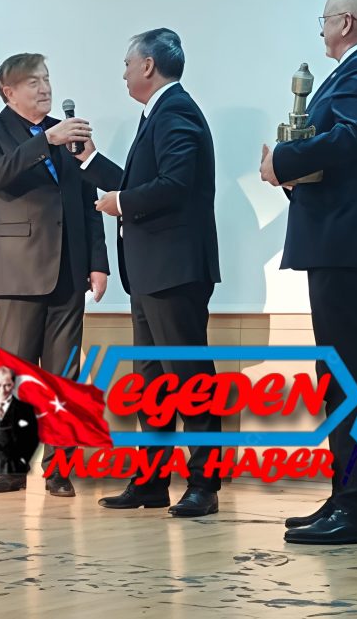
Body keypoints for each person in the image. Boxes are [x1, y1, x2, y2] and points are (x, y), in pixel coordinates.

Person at [259, 0, 357, 544]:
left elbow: (351, 136)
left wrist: (283, 160)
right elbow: (348, 153)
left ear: (345, 22)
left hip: (347, 245)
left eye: (324, 20)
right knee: (344, 380)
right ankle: (346, 496)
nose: (321, 30)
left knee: (350, 384)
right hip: (347, 242)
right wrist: (295, 174)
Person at [78, 28, 222, 518]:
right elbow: (143, 183)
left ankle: (204, 485)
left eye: (127, 63)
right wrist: (92, 162)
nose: (122, 73)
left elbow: (175, 184)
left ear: (147, 66)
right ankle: (151, 481)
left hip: (174, 271)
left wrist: (120, 202)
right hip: (150, 272)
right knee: (154, 383)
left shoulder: (176, 111)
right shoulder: (159, 112)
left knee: (189, 380)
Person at [0, 53, 110, 497]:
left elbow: (87, 200)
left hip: (69, 269)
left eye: (46, 79)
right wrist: (46, 140)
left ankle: (59, 469)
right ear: (8, 91)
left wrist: (98, 261)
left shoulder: (66, 134)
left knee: (65, 375)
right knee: (13, 374)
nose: (44, 88)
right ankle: (9, 467)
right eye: (33, 82)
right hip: (18, 270)